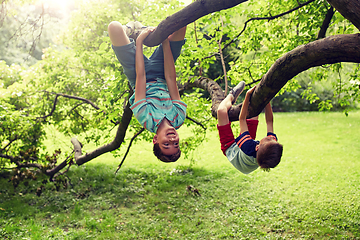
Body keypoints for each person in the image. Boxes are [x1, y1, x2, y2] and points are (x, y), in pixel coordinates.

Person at [108, 21, 187, 163]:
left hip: (137, 73)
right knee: (182, 25)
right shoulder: (178, 117)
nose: (172, 139)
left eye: (166, 144)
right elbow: (170, 78)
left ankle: (131, 32)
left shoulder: (145, 118)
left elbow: (141, 76)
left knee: (113, 27)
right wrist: (164, 42)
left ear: (155, 139)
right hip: (162, 71)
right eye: (176, 144)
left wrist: (139, 42)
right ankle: (144, 30)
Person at [216, 82, 283, 174]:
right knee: (253, 114)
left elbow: (242, 119)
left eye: (266, 139)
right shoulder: (270, 145)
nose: (269, 137)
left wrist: (247, 95)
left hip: (231, 149)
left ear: (257, 146)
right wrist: (267, 101)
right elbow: (270, 121)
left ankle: (231, 95)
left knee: (221, 111)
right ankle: (249, 99)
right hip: (248, 155)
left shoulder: (248, 146)